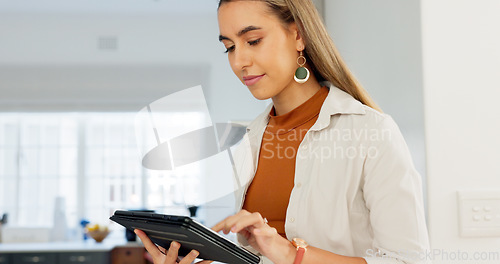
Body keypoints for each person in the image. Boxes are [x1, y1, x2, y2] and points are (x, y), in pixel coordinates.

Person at [135, 0, 431, 263]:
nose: (239, 62)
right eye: (229, 47)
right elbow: (258, 257)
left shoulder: (370, 132)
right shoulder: (250, 141)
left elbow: (408, 260)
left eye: (253, 40)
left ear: (298, 34)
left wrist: (293, 255)